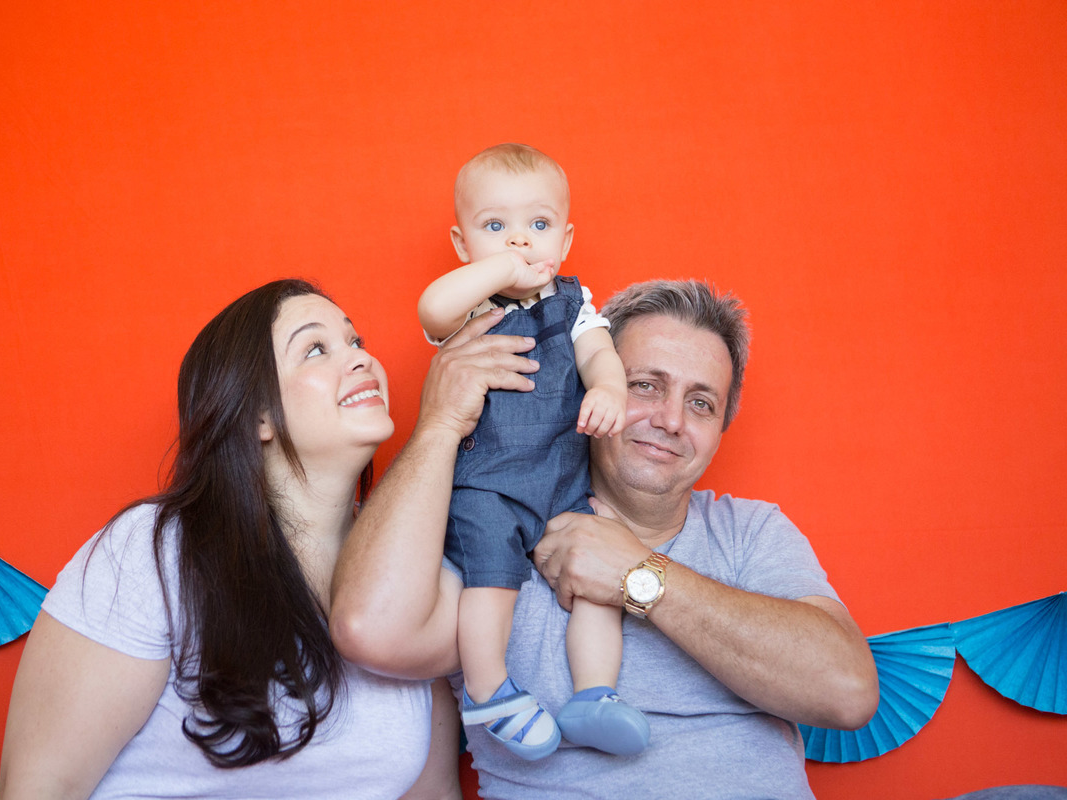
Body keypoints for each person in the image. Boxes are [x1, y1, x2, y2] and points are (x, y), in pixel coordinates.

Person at [330, 280, 879, 799]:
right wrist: (440, 423)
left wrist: (639, 575)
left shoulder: (749, 530)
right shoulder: (492, 531)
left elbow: (847, 691)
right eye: (645, 385)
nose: (670, 420)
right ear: (584, 383)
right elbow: (370, 627)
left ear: (719, 431)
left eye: (701, 403)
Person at [0, 279, 461, 799]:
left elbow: (435, 793)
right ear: (257, 415)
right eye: (316, 349)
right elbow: (40, 787)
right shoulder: (153, 552)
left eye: (355, 341)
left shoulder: (413, 566)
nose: (361, 359)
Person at [417, 143, 642, 761]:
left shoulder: (574, 303)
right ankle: (489, 689)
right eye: (496, 227)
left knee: (598, 583)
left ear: (565, 240)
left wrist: (609, 386)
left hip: (562, 480)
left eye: (537, 226)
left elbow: (599, 351)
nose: (519, 242)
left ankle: (595, 693)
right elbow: (431, 308)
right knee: (492, 579)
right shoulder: (468, 306)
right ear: (462, 246)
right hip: (487, 483)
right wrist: (502, 270)